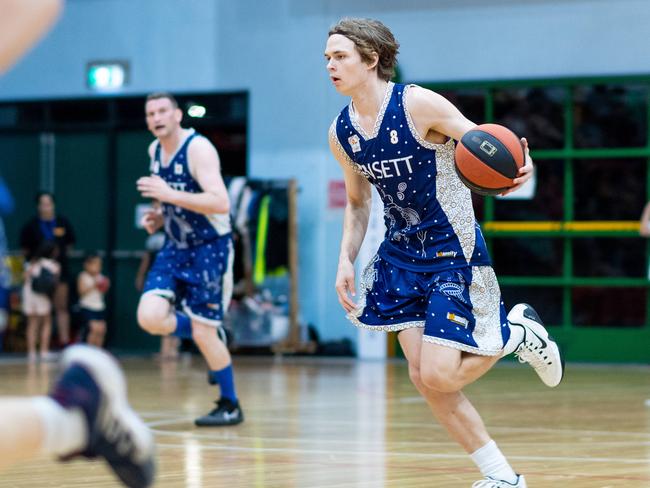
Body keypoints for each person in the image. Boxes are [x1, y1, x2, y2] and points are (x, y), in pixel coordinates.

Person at [325, 18, 564, 488]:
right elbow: (357, 204)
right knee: (424, 379)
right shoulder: (342, 133)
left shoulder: (416, 103)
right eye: (327, 58)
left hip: (451, 251)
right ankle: (502, 477)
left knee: (440, 373)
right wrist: (345, 259)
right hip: (399, 257)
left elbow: (485, 144)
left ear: (372, 59)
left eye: (340, 56)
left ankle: (516, 332)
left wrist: (518, 161)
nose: (330, 66)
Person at [136, 92, 243, 426]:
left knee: (203, 333)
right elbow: (169, 202)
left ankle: (230, 404)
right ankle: (208, 331)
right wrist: (158, 215)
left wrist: (168, 195)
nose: (157, 117)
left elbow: (220, 202)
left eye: (163, 111)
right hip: (175, 244)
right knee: (149, 317)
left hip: (209, 248)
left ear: (178, 115)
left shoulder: (198, 149)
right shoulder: (155, 150)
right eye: (151, 112)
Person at [20, 191, 76, 347]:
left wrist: (56, 261)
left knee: (61, 307)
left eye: (49, 203)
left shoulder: (62, 222)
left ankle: (64, 343)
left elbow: (70, 244)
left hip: (60, 271)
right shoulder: (30, 226)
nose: (46, 207)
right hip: (37, 275)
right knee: (38, 314)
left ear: (53, 204)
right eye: (43, 204)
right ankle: (36, 347)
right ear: (38, 206)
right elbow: (25, 250)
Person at [134, 203, 180, 360]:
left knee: (172, 313)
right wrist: (141, 276)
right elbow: (146, 260)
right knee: (162, 314)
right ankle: (166, 350)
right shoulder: (153, 239)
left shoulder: (179, 236)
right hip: (160, 281)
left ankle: (172, 350)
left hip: (175, 279)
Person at [22, 241, 59, 362]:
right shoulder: (54, 265)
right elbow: (54, 284)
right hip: (43, 296)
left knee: (32, 323)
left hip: (29, 294)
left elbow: (25, 278)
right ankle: (43, 351)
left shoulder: (32, 263)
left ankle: (31, 352)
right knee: (46, 322)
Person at [77, 252, 109, 348]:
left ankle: (98, 351)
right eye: (95, 264)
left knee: (102, 329)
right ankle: (90, 351)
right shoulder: (83, 276)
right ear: (87, 265)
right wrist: (94, 284)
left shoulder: (101, 277)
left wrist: (105, 285)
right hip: (87, 306)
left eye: (99, 265)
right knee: (94, 329)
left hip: (99, 306)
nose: (97, 267)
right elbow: (81, 292)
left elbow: (103, 292)